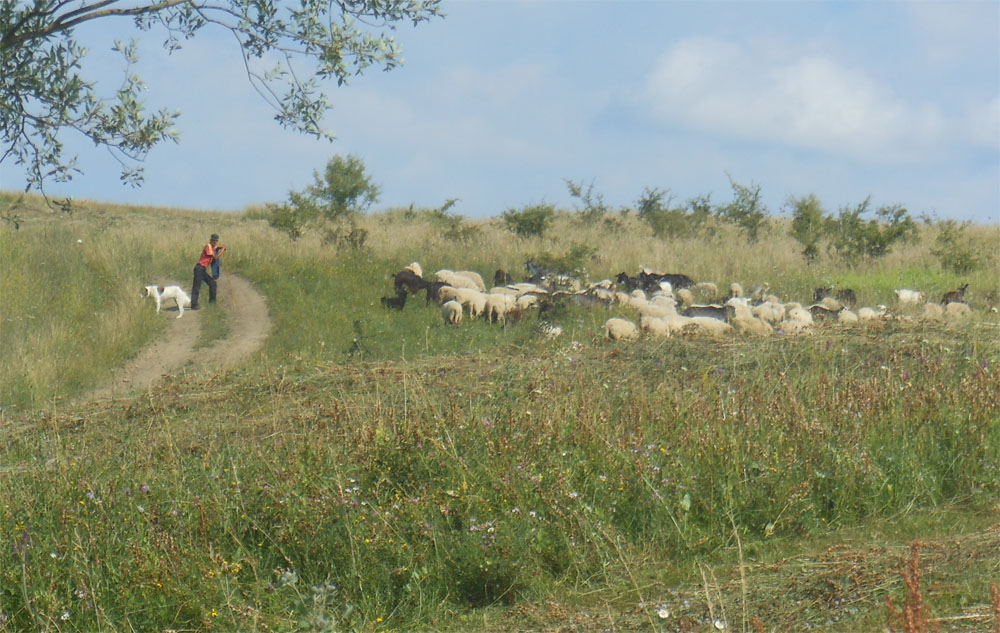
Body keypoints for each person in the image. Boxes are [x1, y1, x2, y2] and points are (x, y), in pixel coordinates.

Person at [190, 234, 225, 310]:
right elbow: (215, 257)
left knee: (213, 284)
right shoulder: (208, 247)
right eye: (213, 240)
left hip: (203, 270)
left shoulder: (213, 247)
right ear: (210, 240)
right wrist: (222, 251)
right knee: (196, 287)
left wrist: (222, 247)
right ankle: (194, 305)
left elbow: (219, 246)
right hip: (199, 268)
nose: (214, 242)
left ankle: (212, 303)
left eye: (216, 241)